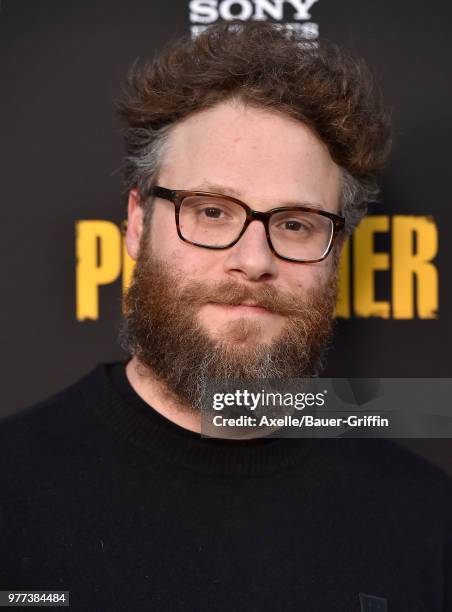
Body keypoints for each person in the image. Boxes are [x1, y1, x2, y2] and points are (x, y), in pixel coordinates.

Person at [0, 22, 450, 611]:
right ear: (138, 223)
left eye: (295, 224)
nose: (254, 260)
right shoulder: (12, 486)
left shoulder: (425, 515)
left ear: (337, 251)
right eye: (211, 211)